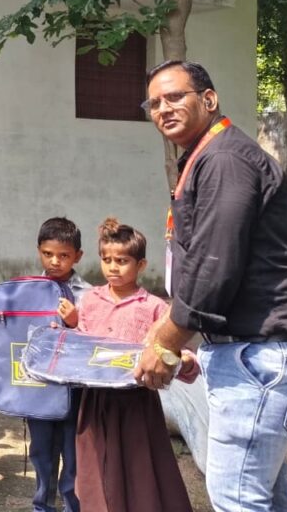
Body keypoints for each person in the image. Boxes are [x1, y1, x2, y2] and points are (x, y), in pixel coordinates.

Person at [135, 60, 287, 512]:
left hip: (269, 354)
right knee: (264, 494)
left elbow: (213, 268)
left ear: (209, 99)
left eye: (175, 96)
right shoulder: (209, 156)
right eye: (154, 103)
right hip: (260, 349)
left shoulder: (225, 159)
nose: (164, 108)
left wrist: (165, 343)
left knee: (236, 497)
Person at [75, 218, 197, 512]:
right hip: (94, 401)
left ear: (141, 265)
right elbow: (80, 346)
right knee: (95, 466)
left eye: (122, 261)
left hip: (137, 403)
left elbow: (178, 355)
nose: (113, 267)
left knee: (138, 466)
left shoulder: (154, 307)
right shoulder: (90, 300)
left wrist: (182, 362)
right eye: (107, 260)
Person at [26, 217, 91, 512]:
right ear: (39, 251)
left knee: (73, 452)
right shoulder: (28, 292)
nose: (55, 261)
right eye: (48, 254)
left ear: (78, 256)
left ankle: (72, 506)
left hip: (75, 390)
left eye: (64, 255)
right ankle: (43, 505)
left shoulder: (88, 295)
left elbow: (94, 341)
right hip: (39, 387)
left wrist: (76, 323)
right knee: (41, 450)